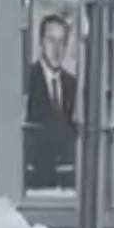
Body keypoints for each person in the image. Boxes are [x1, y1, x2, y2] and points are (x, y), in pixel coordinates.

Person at [24, 12, 78, 193]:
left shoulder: (73, 84)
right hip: (35, 181)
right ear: (41, 43)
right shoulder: (27, 80)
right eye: (51, 40)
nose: (57, 49)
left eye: (62, 42)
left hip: (67, 182)